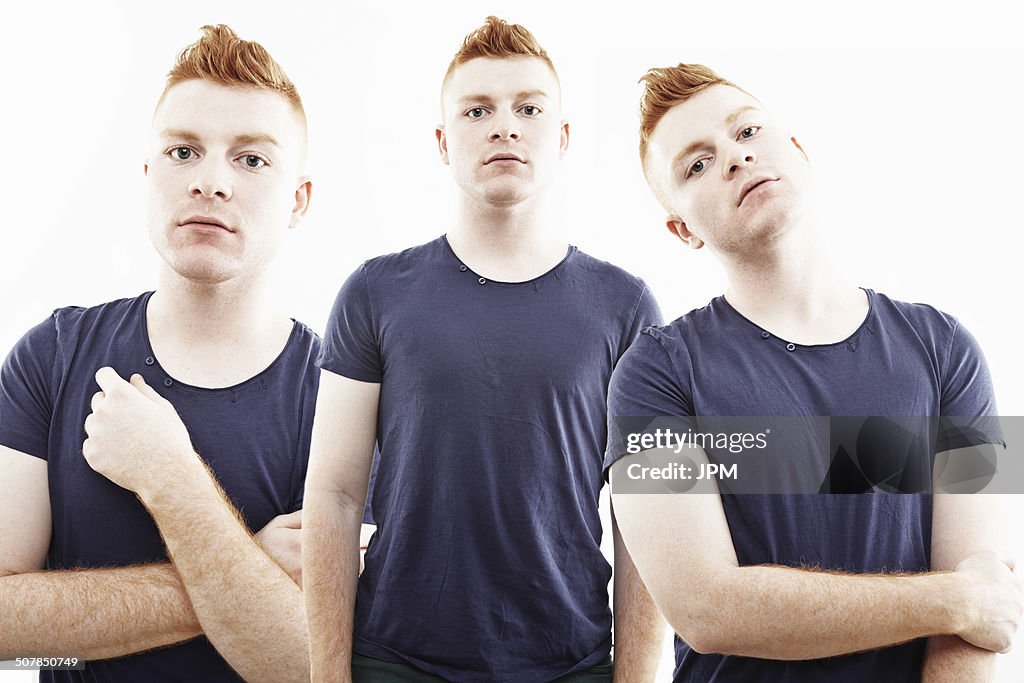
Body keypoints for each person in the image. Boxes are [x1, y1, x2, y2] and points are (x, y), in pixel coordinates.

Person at [605, 63, 1023, 681]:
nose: (735, 159)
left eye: (747, 132)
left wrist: (969, 602)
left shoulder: (949, 351)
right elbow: (705, 609)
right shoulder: (650, 377)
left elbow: (985, 605)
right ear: (682, 229)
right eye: (696, 164)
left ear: (797, 149)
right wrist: (947, 600)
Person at [303, 16, 666, 683]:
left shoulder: (626, 306)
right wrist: (328, 675)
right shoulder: (375, 293)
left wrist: (637, 677)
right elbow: (332, 493)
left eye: (528, 108)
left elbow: (646, 513)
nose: (505, 126)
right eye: (478, 111)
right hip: (396, 661)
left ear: (560, 138)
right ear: (443, 142)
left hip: (571, 663)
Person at [0, 25, 315, 683]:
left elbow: (305, 665)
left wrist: (171, 478)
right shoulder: (52, 358)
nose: (210, 182)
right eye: (183, 151)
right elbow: (5, 634)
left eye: (252, 159)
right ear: (148, 175)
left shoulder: (345, 394)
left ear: (299, 200)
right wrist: (241, 569)